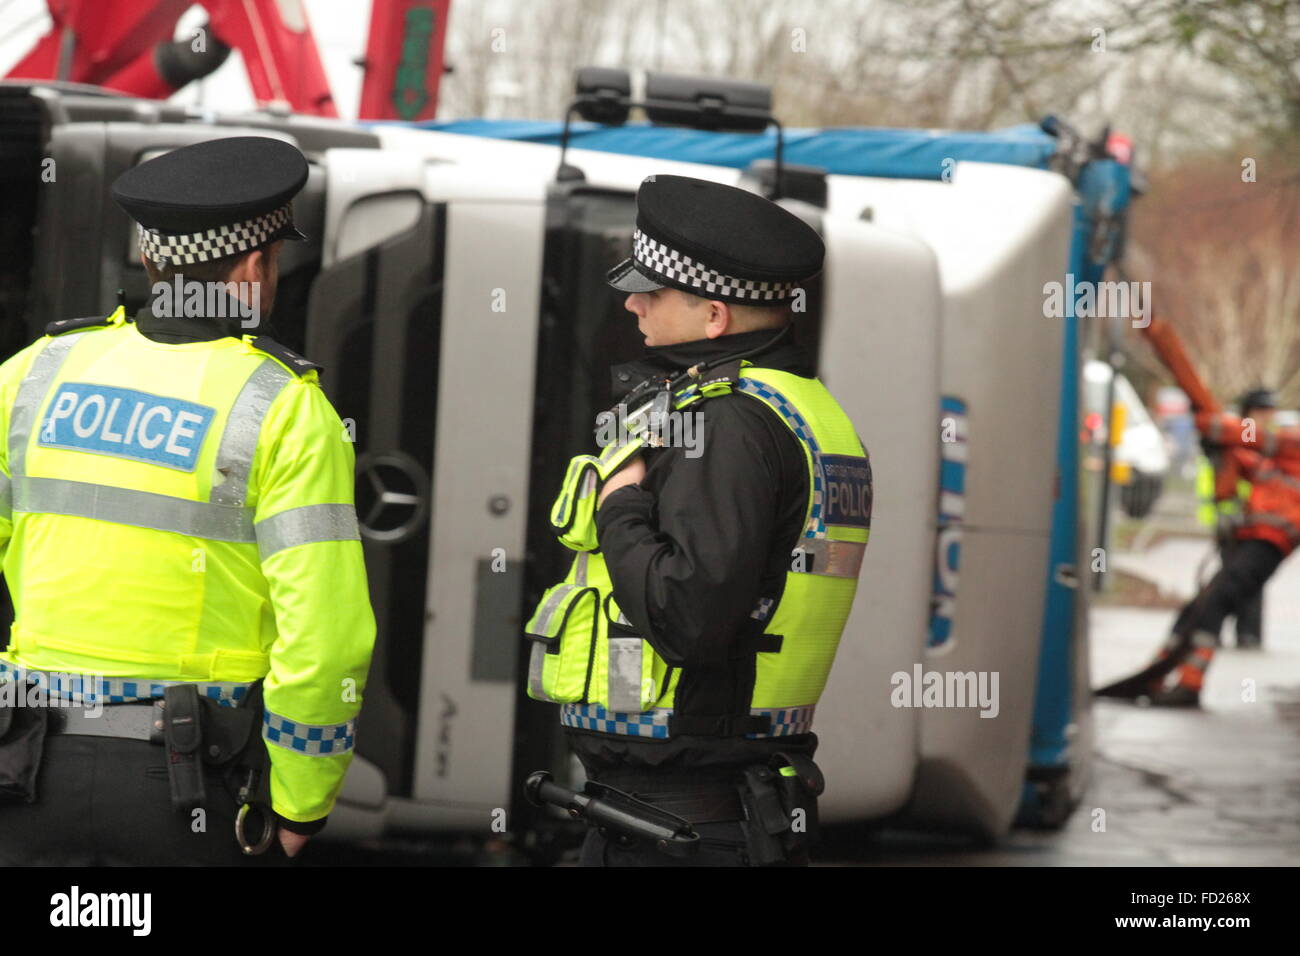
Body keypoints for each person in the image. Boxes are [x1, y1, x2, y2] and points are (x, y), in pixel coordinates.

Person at [0, 136, 375, 864]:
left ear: (150, 259)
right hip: (184, 792)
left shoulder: (34, 374)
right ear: (249, 267)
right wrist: (300, 804)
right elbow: (327, 643)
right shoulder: (283, 408)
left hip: (23, 777)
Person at [524, 175, 871, 866]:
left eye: (649, 292)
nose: (631, 303)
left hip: (680, 820)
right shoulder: (803, 407)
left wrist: (620, 502)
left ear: (714, 317)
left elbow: (690, 614)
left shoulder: (726, 422)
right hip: (715, 801)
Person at [1100, 403, 1297, 708]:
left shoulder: (1291, 445)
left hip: (1267, 545)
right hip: (1252, 542)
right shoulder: (1281, 461)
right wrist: (1220, 450)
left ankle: (1190, 684)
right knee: (1197, 608)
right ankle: (1156, 673)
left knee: (1214, 604)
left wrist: (1215, 426)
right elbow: (1251, 464)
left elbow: (1253, 438)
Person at [1194, 388, 1277, 648]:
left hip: (1258, 521)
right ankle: (1211, 629)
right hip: (1232, 518)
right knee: (1232, 577)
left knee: (1249, 578)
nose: (1266, 416)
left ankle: (1247, 633)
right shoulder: (1237, 435)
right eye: (1261, 411)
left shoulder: (1266, 438)